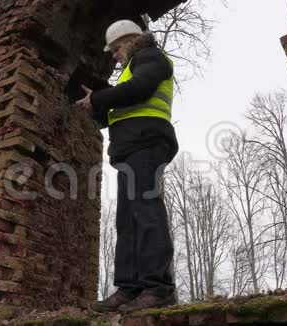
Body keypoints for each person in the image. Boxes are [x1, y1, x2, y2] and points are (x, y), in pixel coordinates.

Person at [75, 20, 179, 313]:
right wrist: (95, 105)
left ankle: (158, 287)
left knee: (146, 212)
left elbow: (140, 89)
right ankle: (129, 288)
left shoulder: (151, 57)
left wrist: (99, 97)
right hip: (131, 150)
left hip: (147, 145)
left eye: (116, 48)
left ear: (130, 40)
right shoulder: (131, 71)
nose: (113, 56)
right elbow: (120, 111)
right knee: (128, 219)